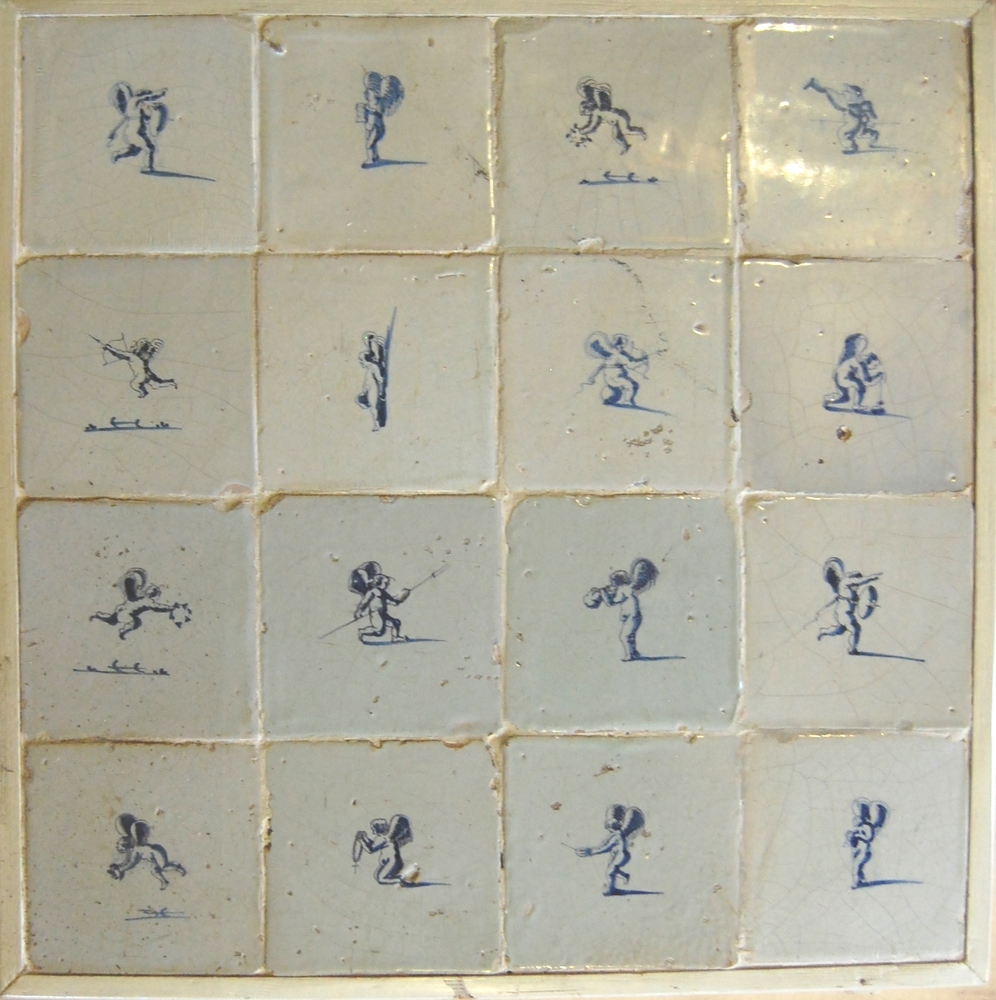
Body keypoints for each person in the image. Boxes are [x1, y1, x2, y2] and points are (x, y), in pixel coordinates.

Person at [584, 558, 658, 661]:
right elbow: (625, 605)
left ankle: (630, 655)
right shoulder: (625, 589)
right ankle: (634, 652)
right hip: (632, 616)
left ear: (618, 582)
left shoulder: (625, 589)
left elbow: (612, 603)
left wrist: (604, 594)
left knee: (625, 636)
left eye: (613, 583)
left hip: (633, 616)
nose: (612, 585)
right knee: (629, 636)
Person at [90, 567, 191, 639]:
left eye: (150, 590)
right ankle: (123, 630)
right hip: (124, 613)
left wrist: (170, 608)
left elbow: (159, 607)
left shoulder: (144, 599)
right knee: (135, 622)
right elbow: (159, 607)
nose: (147, 590)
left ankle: (100, 617)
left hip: (121, 611)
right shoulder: (145, 600)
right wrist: (170, 608)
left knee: (113, 620)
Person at [573, 804, 646, 896]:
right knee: (612, 869)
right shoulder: (615, 834)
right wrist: (591, 850)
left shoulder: (617, 835)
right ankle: (624, 875)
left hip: (621, 855)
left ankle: (612, 890)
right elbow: (604, 844)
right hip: (618, 853)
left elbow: (607, 846)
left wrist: (591, 851)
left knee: (610, 872)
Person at [816, 557, 880, 655]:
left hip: (846, 613)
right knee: (855, 628)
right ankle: (852, 649)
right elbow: (858, 582)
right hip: (844, 613)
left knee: (840, 630)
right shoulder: (846, 582)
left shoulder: (850, 589)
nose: (857, 586)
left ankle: (824, 631)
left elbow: (836, 599)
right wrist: (871, 577)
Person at [567, 78, 647, 153]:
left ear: (588, 108)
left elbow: (592, 127)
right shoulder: (597, 110)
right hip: (616, 121)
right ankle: (626, 146)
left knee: (626, 130)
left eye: (585, 111)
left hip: (620, 117)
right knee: (616, 136)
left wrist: (581, 131)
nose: (586, 114)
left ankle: (641, 131)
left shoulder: (596, 112)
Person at [107, 813, 186, 890]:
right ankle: (164, 881)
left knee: (164, 867)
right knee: (155, 870)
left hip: (156, 853)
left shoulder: (137, 851)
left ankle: (179, 867)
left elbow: (131, 863)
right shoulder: (136, 848)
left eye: (122, 847)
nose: (122, 850)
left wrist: (120, 869)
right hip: (155, 853)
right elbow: (127, 861)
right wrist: (119, 866)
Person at [804, 78, 882, 154]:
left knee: (844, 134)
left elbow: (868, 112)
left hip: (854, 122)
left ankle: (852, 146)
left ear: (857, 94)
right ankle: (872, 134)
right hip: (855, 122)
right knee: (859, 134)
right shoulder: (852, 102)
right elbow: (835, 96)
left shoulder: (858, 103)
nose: (845, 94)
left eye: (847, 92)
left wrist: (870, 118)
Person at [107, 82, 169, 173]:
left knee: (134, 151)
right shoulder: (136, 100)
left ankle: (117, 155)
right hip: (135, 133)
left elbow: (124, 120)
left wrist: (113, 132)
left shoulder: (136, 108)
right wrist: (160, 93)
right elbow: (148, 98)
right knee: (150, 148)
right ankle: (149, 167)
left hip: (133, 133)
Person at [93, 335, 177, 398]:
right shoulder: (142, 358)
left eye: (133, 347)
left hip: (141, 374)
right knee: (156, 384)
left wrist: (109, 348)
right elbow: (119, 354)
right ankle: (171, 382)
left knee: (134, 384)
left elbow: (119, 352)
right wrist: (109, 349)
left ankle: (144, 392)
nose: (132, 347)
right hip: (147, 373)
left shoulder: (132, 356)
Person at [823, 333, 886, 415]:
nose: (872, 368)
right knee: (860, 386)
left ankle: (828, 400)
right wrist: (878, 375)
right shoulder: (860, 362)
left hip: (838, 376)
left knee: (845, 398)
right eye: (873, 366)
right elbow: (867, 381)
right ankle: (857, 405)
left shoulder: (855, 358)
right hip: (844, 377)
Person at [582, 332, 649, 408]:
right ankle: (627, 401)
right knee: (631, 385)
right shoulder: (620, 355)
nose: (620, 348)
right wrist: (643, 360)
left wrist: (592, 377)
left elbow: (600, 366)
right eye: (619, 346)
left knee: (618, 393)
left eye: (621, 346)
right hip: (616, 378)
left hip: (610, 378)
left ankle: (609, 401)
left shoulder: (609, 353)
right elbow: (632, 364)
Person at [349, 561, 410, 643]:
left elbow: (392, 601)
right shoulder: (372, 592)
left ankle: (396, 637)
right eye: (386, 583)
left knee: (396, 622)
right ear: (379, 583)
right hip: (376, 614)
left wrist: (401, 598)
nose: (388, 585)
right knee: (379, 631)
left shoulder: (383, 593)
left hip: (383, 613)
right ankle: (362, 632)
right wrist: (359, 611)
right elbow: (364, 602)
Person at [357, 71, 405, 167]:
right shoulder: (371, 104)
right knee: (371, 143)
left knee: (369, 145)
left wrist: (370, 125)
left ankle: (371, 159)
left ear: (375, 94)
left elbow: (375, 120)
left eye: (370, 91)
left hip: (377, 128)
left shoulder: (378, 106)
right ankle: (375, 157)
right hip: (371, 127)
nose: (366, 93)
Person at [352, 815, 415, 885]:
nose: (373, 831)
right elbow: (373, 845)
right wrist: (364, 838)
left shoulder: (383, 838)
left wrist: (362, 839)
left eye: (373, 829)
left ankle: (400, 881)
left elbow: (370, 849)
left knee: (381, 879)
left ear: (378, 828)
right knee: (378, 876)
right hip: (391, 861)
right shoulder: (383, 838)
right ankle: (401, 878)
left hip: (392, 862)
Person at [845, 799, 888, 888]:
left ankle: (856, 882)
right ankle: (861, 880)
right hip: (858, 850)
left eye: (858, 818)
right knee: (858, 866)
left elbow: (869, 838)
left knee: (856, 866)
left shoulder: (867, 827)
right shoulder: (859, 828)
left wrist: (858, 835)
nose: (856, 821)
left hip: (864, 851)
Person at [356, 331, 388, 429]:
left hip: (374, 388)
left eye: (362, 361)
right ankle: (377, 422)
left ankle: (377, 423)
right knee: (368, 403)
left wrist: (381, 392)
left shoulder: (373, 367)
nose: (361, 363)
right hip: (370, 388)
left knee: (374, 406)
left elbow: (380, 379)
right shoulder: (371, 368)